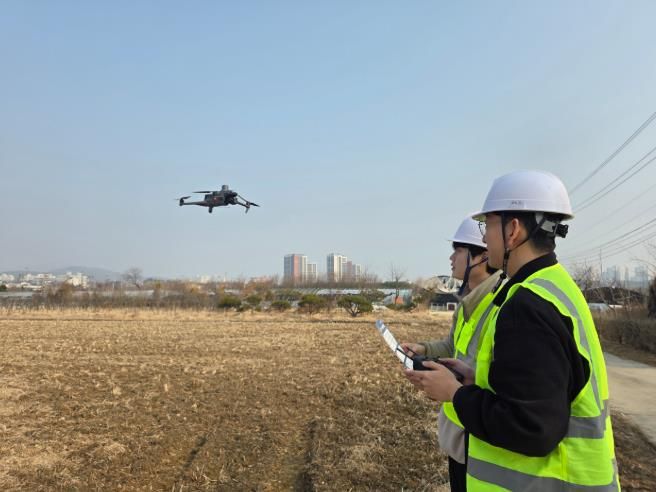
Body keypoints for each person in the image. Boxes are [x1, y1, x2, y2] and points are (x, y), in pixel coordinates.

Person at [407, 170, 619, 490]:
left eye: (488, 225)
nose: (483, 239)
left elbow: (531, 427)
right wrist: (477, 380)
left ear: (512, 230)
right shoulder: (555, 286)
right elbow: (542, 391)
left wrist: (455, 393)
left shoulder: (527, 305)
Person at [402, 216, 501, 491]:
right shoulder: (468, 300)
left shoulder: (500, 303)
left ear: (482, 256)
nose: (451, 258)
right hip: (460, 428)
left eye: (458, 250)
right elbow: (453, 346)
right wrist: (423, 349)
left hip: (479, 432)